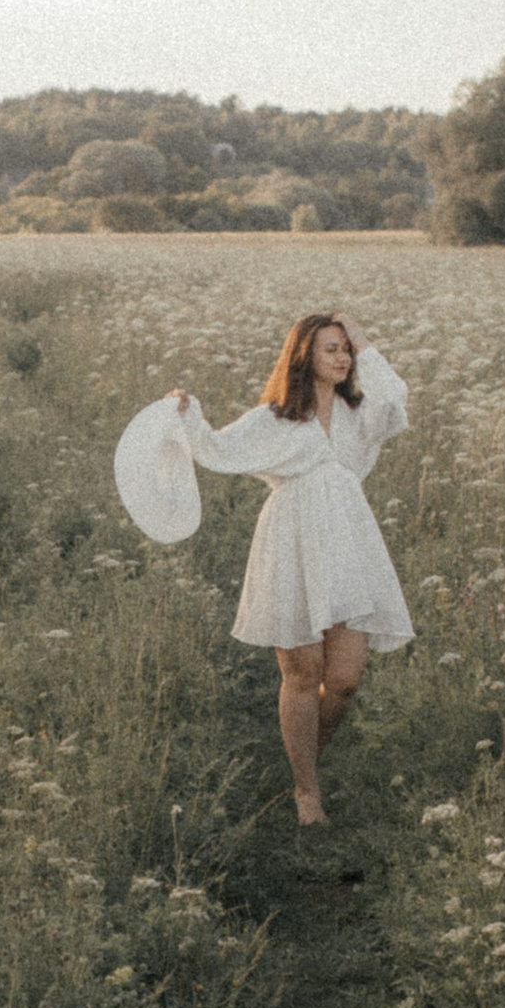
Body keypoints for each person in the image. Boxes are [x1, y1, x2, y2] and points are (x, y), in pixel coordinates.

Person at [116, 310, 413, 827]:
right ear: (305, 357)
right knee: (303, 674)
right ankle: (306, 793)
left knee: (343, 680)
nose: (342, 357)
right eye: (331, 349)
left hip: (349, 544)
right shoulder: (274, 419)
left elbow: (394, 399)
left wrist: (363, 341)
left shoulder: (358, 415)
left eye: (345, 349)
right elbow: (213, 447)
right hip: (291, 541)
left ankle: (305, 764)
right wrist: (183, 413)